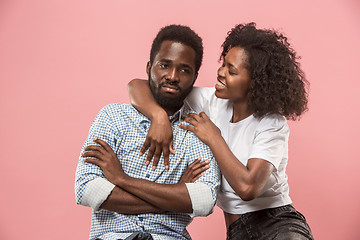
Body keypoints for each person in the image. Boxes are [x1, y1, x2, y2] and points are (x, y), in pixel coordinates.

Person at [128, 23, 314, 239]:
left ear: (255, 82)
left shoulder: (271, 123)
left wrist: (214, 137)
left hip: (277, 224)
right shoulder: (211, 102)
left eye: (231, 70)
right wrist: (158, 117)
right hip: (236, 232)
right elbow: (138, 86)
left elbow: (247, 187)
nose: (220, 73)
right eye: (223, 64)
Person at [75, 24, 221, 240]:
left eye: (184, 69)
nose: (172, 76)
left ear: (195, 76)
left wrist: (122, 180)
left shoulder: (198, 130)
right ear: (149, 67)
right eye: (164, 65)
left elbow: (204, 200)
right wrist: (177, 193)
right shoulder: (113, 117)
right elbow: (86, 189)